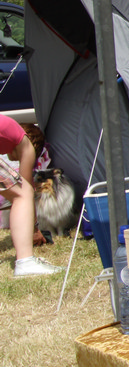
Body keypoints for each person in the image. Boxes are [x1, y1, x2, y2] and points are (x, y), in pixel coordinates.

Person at [1, 115, 62, 277]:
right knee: (22, 194)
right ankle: (25, 262)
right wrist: (34, 228)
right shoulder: (26, 143)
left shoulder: (10, 130)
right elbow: (27, 188)